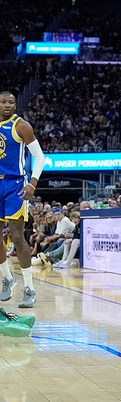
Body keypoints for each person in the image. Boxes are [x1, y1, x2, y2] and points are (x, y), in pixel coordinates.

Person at [0, 91, 45, 308]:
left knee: (17, 236)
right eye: (3, 102)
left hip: (15, 184)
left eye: (11, 102)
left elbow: (39, 156)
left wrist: (32, 183)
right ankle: (8, 278)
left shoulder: (21, 126)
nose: (7, 105)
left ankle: (29, 289)